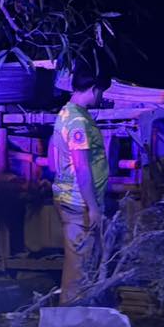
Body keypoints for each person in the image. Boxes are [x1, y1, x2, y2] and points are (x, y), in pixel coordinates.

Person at [50, 67, 110, 304]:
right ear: (94, 89)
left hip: (68, 197)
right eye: (101, 92)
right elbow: (82, 167)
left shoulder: (65, 112)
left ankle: (76, 311)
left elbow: (52, 156)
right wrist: (93, 207)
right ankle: (71, 315)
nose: (102, 97)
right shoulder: (78, 121)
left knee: (79, 261)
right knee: (79, 266)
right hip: (79, 202)